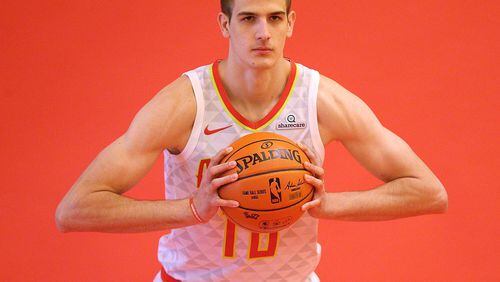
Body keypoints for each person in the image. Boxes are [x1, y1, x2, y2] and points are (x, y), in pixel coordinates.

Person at [55, 0, 448, 281]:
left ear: (291, 23)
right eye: (248, 18)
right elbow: (74, 211)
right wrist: (192, 208)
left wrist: (328, 204)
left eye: (275, 18)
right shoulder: (184, 104)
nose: (264, 33)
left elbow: (430, 192)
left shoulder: (321, 100)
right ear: (225, 25)